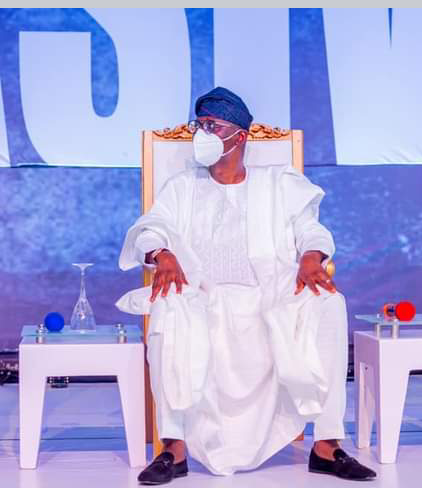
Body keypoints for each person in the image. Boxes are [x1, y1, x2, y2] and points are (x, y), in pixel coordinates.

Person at [117, 87, 376, 484]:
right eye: (198, 125)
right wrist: (161, 253)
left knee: (329, 302)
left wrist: (312, 256)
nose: (202, 134)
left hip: (270, 298)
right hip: (202, 300)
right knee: (168, 305)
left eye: (212, 126)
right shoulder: (183, 187)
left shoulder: (277, 183)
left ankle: (327, 445)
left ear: (239, 136)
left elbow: (312, 229)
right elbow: (151, 228)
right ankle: (173, 448)